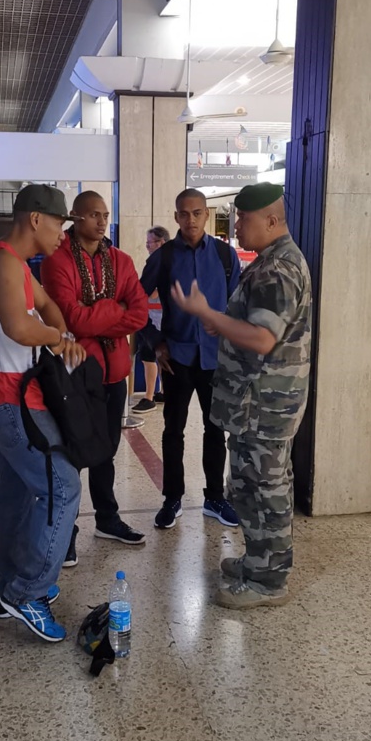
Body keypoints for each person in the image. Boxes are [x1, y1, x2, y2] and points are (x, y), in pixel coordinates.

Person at [172, 182, 312, 609]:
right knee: (250, 486)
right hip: (257, 403)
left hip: (266, 405)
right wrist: (222, 324)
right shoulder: (268, 262)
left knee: (266, 489)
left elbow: (264, 338)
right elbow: (251, 324)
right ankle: (256, 560)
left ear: (271, 220)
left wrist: (208, 315)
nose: (235, 226)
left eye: (243, 218)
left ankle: (269, 581)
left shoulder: (278, 269)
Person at [0, 184, 86, 643]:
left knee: (18, 494)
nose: (62, 233)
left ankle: (9, 587)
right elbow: (19, 327)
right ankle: (26, 593)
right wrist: (59, 341)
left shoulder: (16, 265)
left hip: (10, 397)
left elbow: (46, 307)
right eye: (59, 223)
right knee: (63, 486)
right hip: (6, 400)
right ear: (36, 219)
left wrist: (59, 327)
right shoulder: (1, 261)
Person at [41, 190, 147, 561]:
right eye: (94, 215)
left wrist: (97, 314)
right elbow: (71, 318)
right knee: (71, 451)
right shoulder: (56, 261)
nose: (103, 221)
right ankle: (65, 531)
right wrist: (113, 310)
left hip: (113, 372)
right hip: (75, 373)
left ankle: (107, 518)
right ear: (75, 217)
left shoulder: (121, 260)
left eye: (106, 214)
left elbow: (140, 313)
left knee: (106, 451)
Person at [140, 189, 241, 530]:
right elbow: (136, 304)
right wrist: (155, 342)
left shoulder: (226, 257)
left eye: (197, 213)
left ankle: (215, 497)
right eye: (184, 214)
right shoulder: (164, 257)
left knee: (216, 430)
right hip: (177, 358)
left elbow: (238, 308)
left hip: (217, 360)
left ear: (207, 214)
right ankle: (172, 498)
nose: (191, 220)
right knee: (173, 430)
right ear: (176, 217)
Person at [132, 225, 169, 413]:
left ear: (161, 242)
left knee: (148, 355)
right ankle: (163, 391)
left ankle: (149, 396)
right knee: (161, 355)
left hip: (154, 317)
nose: (147, 246)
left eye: (150, 243)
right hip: (163, 317)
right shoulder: (173, 258)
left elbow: (148, 290)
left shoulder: (159, 260)